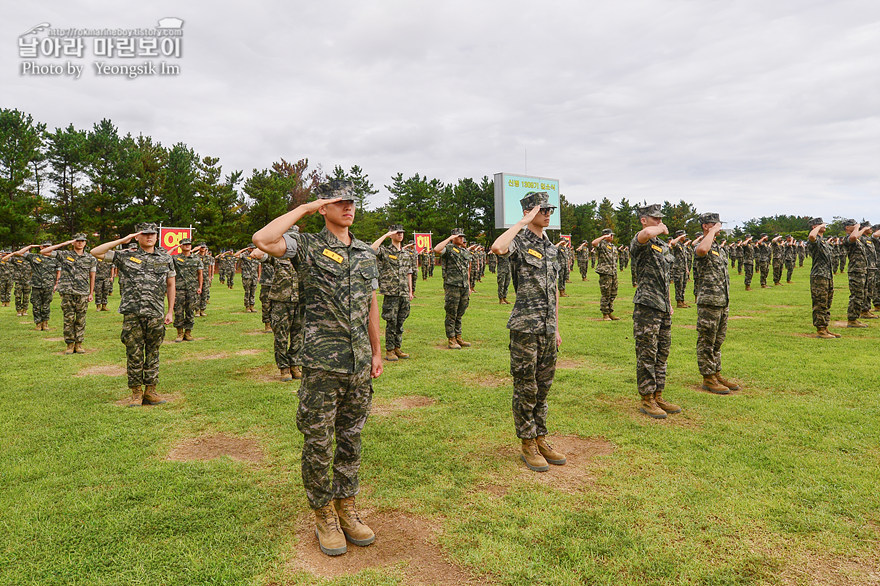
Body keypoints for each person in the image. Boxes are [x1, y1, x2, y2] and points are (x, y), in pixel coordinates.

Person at [252, 179, 382, 558]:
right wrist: (307, 208)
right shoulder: (307, 246)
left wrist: (377, 351)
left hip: (358, 363)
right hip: (322, 366)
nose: (348, 207)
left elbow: (370, 305)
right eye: (339, 202)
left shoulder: (364, 252)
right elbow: (263, 238)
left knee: (350, 440)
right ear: (325, 207)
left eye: (351, 202)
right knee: (318, 443)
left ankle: (347, 507)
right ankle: (323, 512)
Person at [491, 192, 565, 472]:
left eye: (550, 209)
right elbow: (498, 248)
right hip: (525, 327)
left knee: (543, 388)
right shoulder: (519, 241)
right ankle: (527, 443)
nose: (548, 213)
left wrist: (556, 326)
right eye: (543, 209)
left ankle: (541, 437)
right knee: (526, 387)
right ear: (528, 211)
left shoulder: (551, 248)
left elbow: (554, 291)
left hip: (546, 329)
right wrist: (521, 222)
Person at [90, 223, 175, 407]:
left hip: (155, 313)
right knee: (134, 353)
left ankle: (151, 391)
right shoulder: (126, 256)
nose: (149, 237)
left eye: (152, 234)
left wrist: (169, 311)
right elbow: (95, 251)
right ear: (137, 236)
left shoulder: (166, 258)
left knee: (153, 352)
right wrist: (122, 240)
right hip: (133, 313)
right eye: (144, 234)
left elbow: (170, 284)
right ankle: (136, 393)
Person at [630, 204, 680, 419]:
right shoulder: (641, 241)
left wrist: (669, 303)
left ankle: (658, 394)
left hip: (662, 306)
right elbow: (648, 233)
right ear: (644, 220)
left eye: (661, 219)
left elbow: (665, 278)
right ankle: (647, 398)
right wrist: (661, 228)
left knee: (662, 352)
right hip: (647, 307)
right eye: (655, 218)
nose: (659, 222)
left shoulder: (662, 246)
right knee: (647, 353)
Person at [693, 214, 739, 394]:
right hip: (709, 301)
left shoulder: (720, 248)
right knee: (707, 340)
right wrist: (711, 232)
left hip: (722, 300)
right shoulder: (702, 245)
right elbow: (702, 251)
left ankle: (716, 372)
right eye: (714, 224)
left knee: (718, 341)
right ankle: (708, 378)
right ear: (705, 226)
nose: (718, 227)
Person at [255, 227, 304, 381]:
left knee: (299, 336)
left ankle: (295, 365)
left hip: (300, 300)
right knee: (281, 336)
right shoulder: (276, 256)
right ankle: (283, 368)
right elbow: (256, 254)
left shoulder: (305, 257)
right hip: (281, 302)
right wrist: (273, 243)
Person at [41, 234, 97, 354]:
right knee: (68, 319)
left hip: (82, 292)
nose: (80, 243)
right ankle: (70, 344)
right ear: (73, 242)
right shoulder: (65, 255)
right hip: (67, 292)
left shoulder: (90, 258)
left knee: (81, 319)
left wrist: (91, 292)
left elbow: (92, 276)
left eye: (82, 241)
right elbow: (44, 252)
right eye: (77, 241)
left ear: (85, 243)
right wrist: (64, 243)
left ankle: (79, 344)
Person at [371, 224, 414, 361]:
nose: (400, 235)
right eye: (397, 233)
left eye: (401, 232)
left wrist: (410, 291)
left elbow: (409, 273)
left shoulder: (406, 253)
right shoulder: (385, 251)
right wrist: (385, 235)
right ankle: (389, 350)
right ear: (392, 235)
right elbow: (372, 249)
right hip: (391, 292)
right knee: (391, 321)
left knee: (400, 321)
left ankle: (397, 348)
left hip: (403, 292)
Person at [5, 241, 59, 330]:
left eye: (48, 246)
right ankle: (38, 323)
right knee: (36, 305)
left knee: (46, 305)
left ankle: (45, 323)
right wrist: (30, 246)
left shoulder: (55, 259)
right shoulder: (34, 257)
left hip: (48, 285)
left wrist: (56, 284)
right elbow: (19, 253)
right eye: (44, 246)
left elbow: (58, 272)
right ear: (41, 247)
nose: (46, 247)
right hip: (36, 285)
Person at [435, 229, 473, 349]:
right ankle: (451, 339)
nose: (462, 238)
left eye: (462, 236)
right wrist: (449, 238)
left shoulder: (464, 251)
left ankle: (458, 336)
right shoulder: (449, 249)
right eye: (459, 236)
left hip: (463, 286)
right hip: (452, 285)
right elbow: (436, 249)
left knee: (460, 312)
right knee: (452, 312)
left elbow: (467, 269)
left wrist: (469, 285)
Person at [807, 218, 840, 339]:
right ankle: (820, 330)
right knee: (820, 302)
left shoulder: (823, 241)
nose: (824, 226)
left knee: (826, 302)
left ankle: (825, 327)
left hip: (827, 275)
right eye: (821, 224)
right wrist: (817, 227)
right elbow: (811, 236)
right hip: (819, 276)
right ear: (814, 227)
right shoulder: (814, 239)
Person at [842, 219, 873, 327]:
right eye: (853, 225)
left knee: (862, 295)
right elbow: (853, 237)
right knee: (856, 295)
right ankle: (852, 319)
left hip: (862, 270)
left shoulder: (858, 238)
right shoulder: (848, 238)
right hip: (855, 271)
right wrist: (859, 228)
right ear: (847, 227)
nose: (856, 226)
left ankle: (855, 317)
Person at [172, 238, 203, 342]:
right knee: (178, 311)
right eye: (184, 244)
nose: (187, 246)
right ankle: (179, 333)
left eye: (189, 244)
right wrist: (175, 247)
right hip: (179, 289)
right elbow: (165, 256)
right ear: (181, 246)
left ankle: (188, 333)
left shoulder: (196, 258)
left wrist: (200, 287)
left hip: (192, 288)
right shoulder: (175, 258)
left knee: (190, 311)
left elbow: (200, 273)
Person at [592, 229, 619, 320]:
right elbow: (594, 243)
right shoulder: (602, 244)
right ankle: (605, 314)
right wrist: (604, 237)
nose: (612, 237)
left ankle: (610, 311)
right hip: (605, 272)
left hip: (613, 272)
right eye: (611, 235)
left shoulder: (613, 246)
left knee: (613, 293)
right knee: (606, 293)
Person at [255, 245, 275, 332]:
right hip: (266, 283)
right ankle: (267, 325)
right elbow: (254, 253)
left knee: (277, 306)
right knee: (266, 304)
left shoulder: (279, 255)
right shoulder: (265, 255)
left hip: (277, 283)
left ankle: (275, 324)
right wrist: (266, 245)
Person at [669, 230, 690, 309]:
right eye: (684, 236)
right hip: (678, 268)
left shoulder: (682, 245)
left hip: (683, 268)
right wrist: (679, 237)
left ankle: (682, 301)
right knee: (679, 285)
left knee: (683, 285)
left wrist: (687, 269)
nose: (685, 237)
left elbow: (684, 258)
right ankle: (679, 302)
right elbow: (672, 243)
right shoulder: (677, 244)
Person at [236, 246, 260, 312]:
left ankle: (252, 306)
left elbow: (259, 266)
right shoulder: (244, 255)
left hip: (254, 276)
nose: (252, 249)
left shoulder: (256, 255)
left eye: (253, 248)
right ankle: (247, 307)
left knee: (253, 292)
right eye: (251, 248)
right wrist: (244, 249)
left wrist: (259, 276)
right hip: (246, 276)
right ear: (248, 248)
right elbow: (235, 255)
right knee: (247, 291)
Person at [196, 243, 214, 316]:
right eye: (201, 247)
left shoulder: (208, 257)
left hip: (206, 277)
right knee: (197, 294)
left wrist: (210, 277)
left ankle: (202, 310)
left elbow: (209, 267)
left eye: (204, 247)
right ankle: (197, 310)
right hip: (197, 278)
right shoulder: (195, 256)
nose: (203, 248)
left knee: (204, 294)